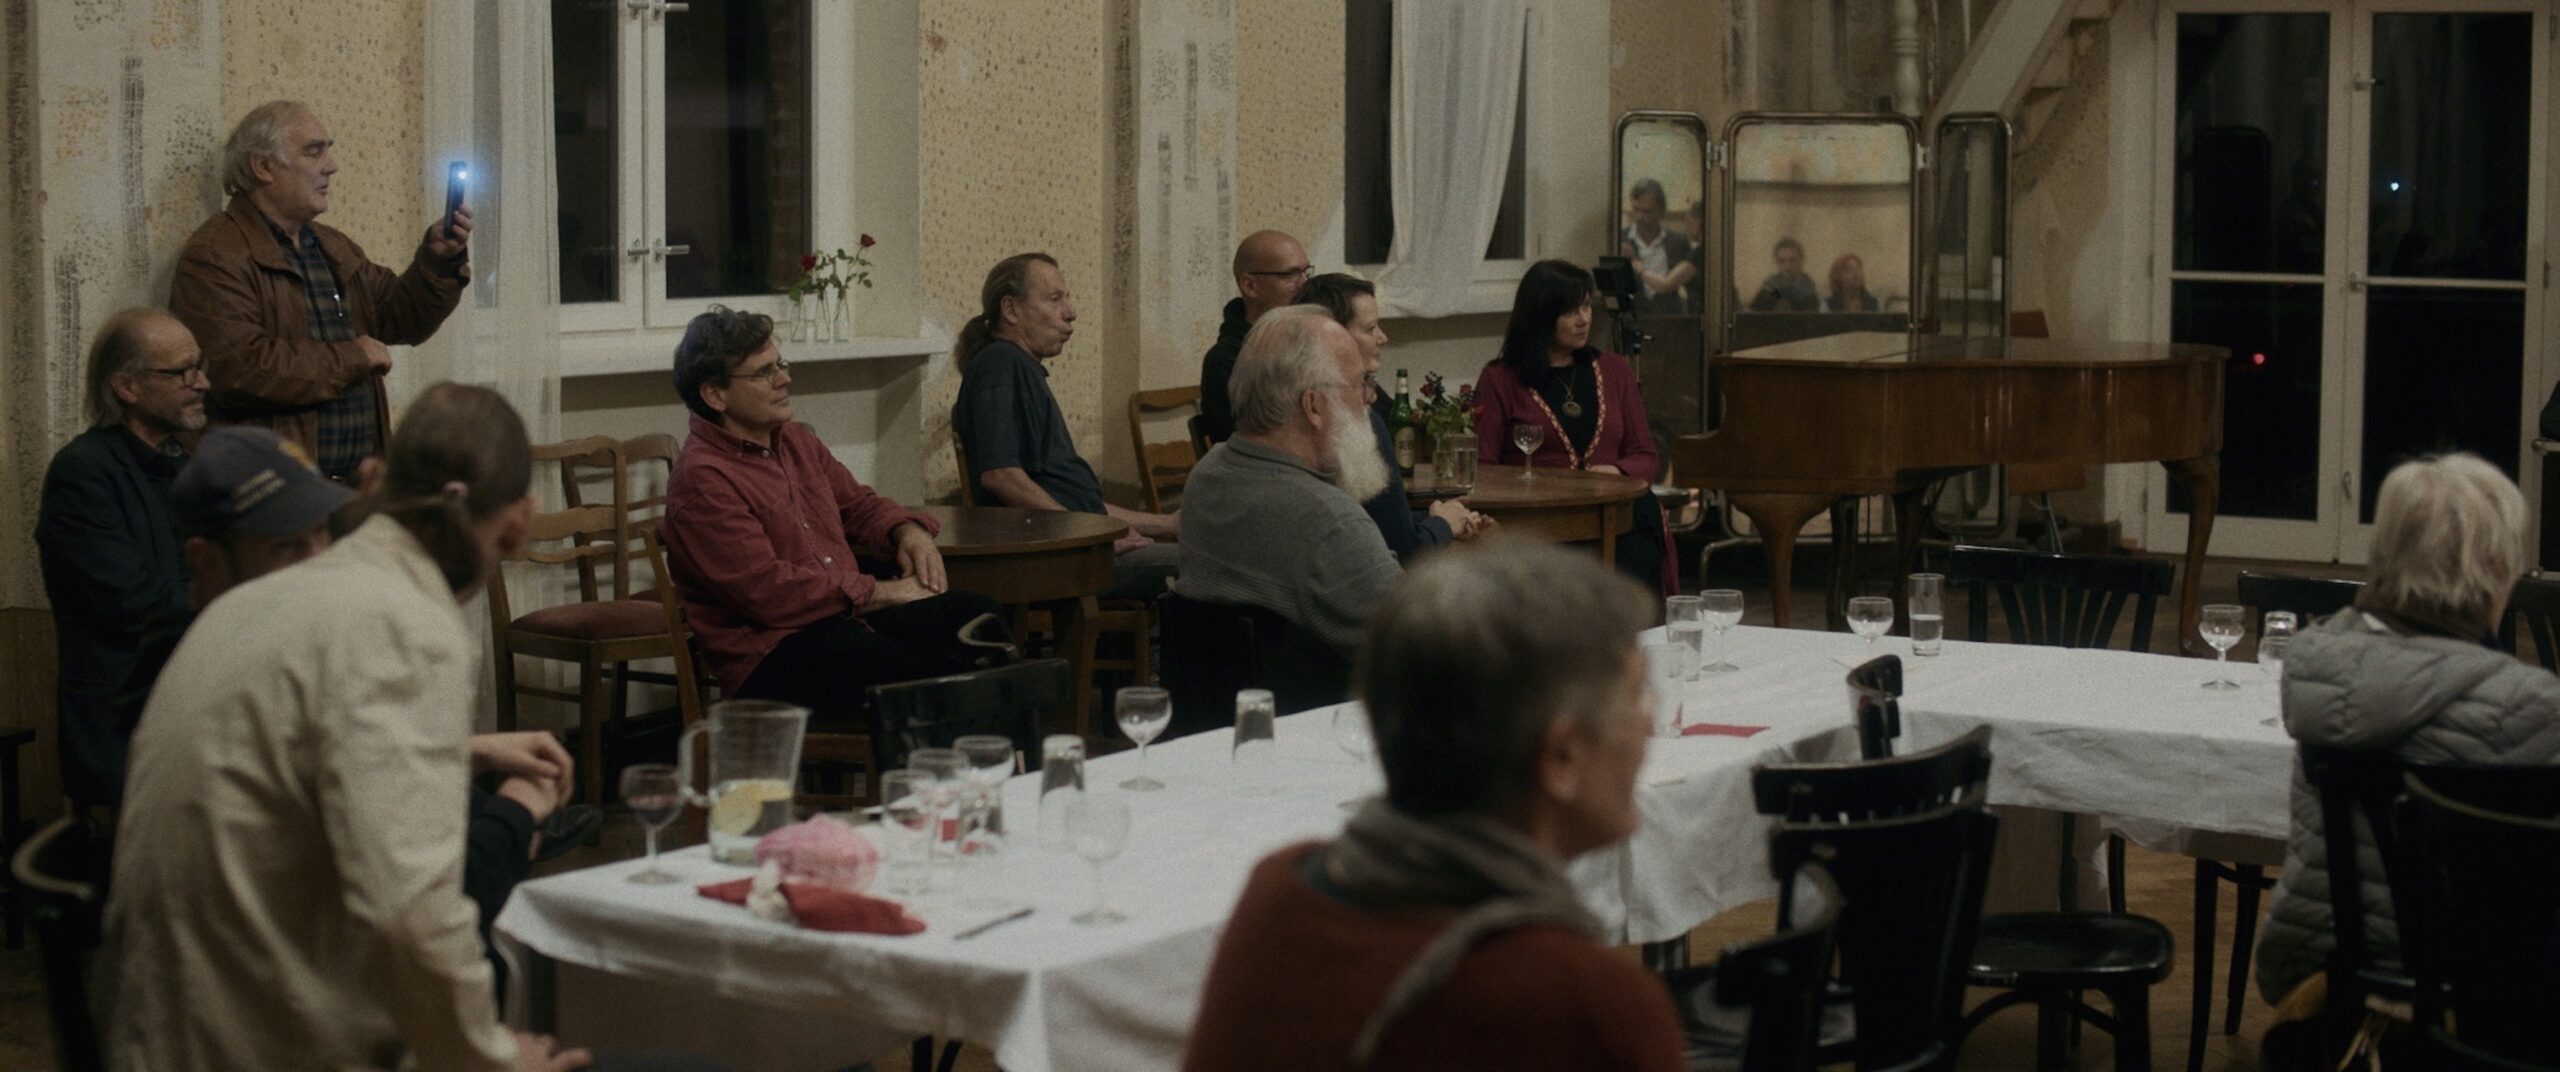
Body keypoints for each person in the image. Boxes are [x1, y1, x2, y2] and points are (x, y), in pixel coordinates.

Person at [107, 383, 590, 1072]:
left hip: (171, 1036)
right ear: (520, 524)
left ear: (373, 481)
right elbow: (410, 919)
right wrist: (493, 1059)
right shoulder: (404, 623)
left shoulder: (256, 602)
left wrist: (461, 752)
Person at [1182, 538, 1683, 1072]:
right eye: (1637, 695)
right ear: (1561, 757)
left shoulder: (1280, 891)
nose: (1651, 720)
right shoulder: (1583, 1002)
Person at [2254, 454, 2560, 1019]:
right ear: (2494, 568)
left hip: (2328, 964)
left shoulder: (2320, 667)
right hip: (2484, 990)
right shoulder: (2530, 705)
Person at [660, 306, 1004, 722]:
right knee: (919, 673)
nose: (784, 379)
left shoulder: (795, 441)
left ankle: (1003, 756)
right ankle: (955, 756)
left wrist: (907, 531)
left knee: (977, 617)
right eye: (765, 372)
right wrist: (883, 592)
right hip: (771, 653)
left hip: (840, 619)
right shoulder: (703, 478)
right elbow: (768, 593)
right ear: (715, 395)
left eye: (781, 365)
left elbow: (859, 505)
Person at [170, 100, 471, 479]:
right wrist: (352, 358)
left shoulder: (332, 246)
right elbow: (238, 369)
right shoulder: (216, 253)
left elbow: (402, 317)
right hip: (273, 490)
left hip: (357, 488)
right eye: (314, 152)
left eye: (328, 151)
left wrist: (437, 262)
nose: (331, 166)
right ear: (263, 167)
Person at [35, 309, 207, 811]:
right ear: (127, 387)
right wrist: (236, 606)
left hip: (186, 715)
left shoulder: (186, 466)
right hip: (121, 734)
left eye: (199, 366)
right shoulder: (83, 472)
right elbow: (132, 603)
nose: (202, 383)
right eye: (182, 372)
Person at [1178, 306, 1402, 659]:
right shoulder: (1331, 522)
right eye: (1360, 384)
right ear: (1313, 406)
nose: (1369, 400)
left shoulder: (1207, 475)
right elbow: (1426, 649)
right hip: (1326, 695)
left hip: (1222, 694)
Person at [952, 253, 1181, 599]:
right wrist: (1088, 536)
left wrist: (1167, 525)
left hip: (1074, 545)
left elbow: (1079, 503)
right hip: (1055, 562)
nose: (1070, 312)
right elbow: (1000, 476)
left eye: (1066, 299)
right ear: (1011, 310)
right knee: (1217, 566)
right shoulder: (1000, 365)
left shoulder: (1016, 366)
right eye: (1054, 299)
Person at [1473, 260, 1674, 594]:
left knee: (1639, 540)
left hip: (1616, 514)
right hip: (1542, 521)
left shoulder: (1615, 370)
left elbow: (1645, 455)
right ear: (1541, 316)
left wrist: (1616, 472)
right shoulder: (1501, 378)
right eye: (1570, 311)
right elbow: (1484, 467)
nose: (1584, 319)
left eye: (1586, 306)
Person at [1295, 273, 1488, 560]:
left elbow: (1376, 519)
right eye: (1370, 328)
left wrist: (1436, 516)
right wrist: (1443, 524)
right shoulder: (1357, 423)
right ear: (1334, 336)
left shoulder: (1287, 407)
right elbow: (1403, 549)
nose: (1382, 338)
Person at [1197, 229, 1313, 444]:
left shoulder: (1311, 340)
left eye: (1306, 273)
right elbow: (1246, 443)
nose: (1304, 284)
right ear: (1250, 286)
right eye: (1290, 275)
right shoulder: (1226, 360)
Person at [1619, 179, 1696, 316]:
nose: (1639, 217)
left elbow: (1692, 287)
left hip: (1670, 319)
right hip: (1632, 318)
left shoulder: (1679, 242)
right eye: (1636, 209)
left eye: (1647, 212)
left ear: (1661, 211)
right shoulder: (1620, 239)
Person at [1746, 237, 1818, 312]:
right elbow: (1753, 314)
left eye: (1792, 260)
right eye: (1782, 261)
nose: (1787, 266)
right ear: (1776, 262)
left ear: (1801, 260)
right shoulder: (1771, 287)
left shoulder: (1807, 289)